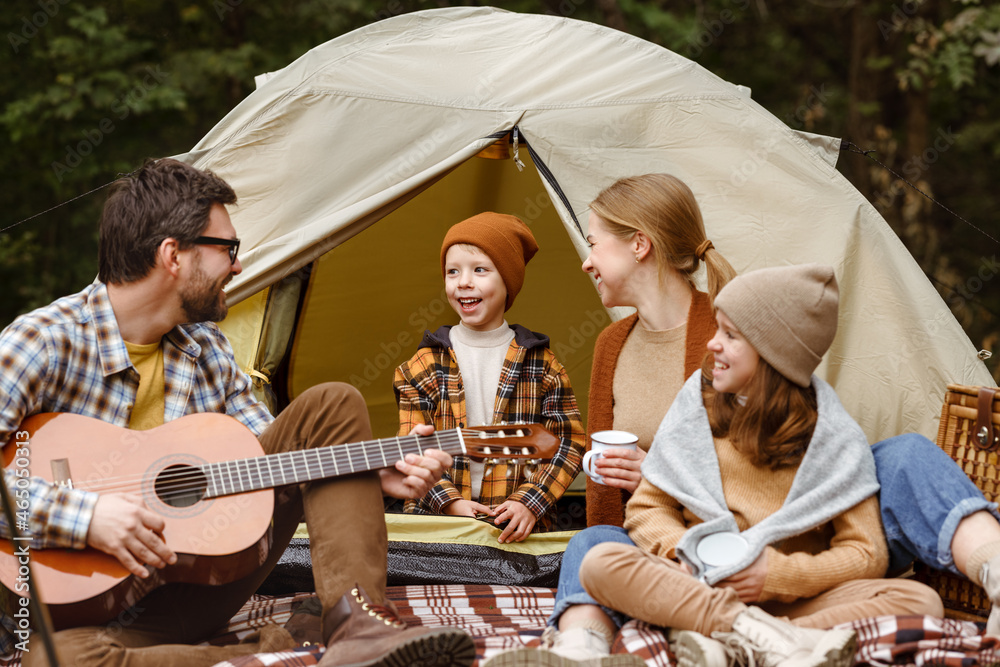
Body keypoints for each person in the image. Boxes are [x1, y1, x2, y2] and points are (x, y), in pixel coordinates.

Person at [0, 158, 475, 667]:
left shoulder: (207, 347)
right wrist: (87, 517)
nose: (239, 266)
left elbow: (271, 458)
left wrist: (361, 468)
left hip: (196, 587)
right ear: (172, 255)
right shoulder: (42, 342)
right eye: (228, 249)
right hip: (78, 613)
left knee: (332, 405)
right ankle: (278, 651)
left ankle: (360, 628)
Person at [574, 264, 944, 667]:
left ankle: (743, 637)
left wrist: (775, 574)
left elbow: (866, 553)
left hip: (793, 602)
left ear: (775, 356)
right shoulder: (695, 409)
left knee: (919, 599)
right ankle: (769, 639)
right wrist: (685, 552)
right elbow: (648, 509)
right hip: (699, 588)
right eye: (717, 329)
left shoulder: (830, 436)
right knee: (600, 561)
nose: (713, 344)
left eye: (730, 335)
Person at [394, 212, 586, 542]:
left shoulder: (541, 364)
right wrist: (450, 503)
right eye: (453, 271)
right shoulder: (422, 365)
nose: (463, 281)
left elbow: (569, 442)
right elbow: (411, 448)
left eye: (479, 270)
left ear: (508, 280)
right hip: (438, 528)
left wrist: (530, 502)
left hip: (514, 530)